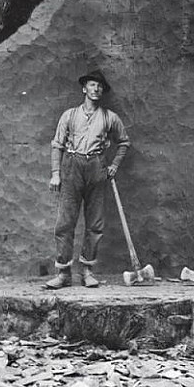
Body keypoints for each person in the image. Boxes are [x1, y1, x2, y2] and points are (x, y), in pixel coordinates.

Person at [45, 69, 130, 289]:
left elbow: (124, 142)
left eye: (100, 86)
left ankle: (87, 271)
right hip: (71, 166)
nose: (96, 89)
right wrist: (56, 173)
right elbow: (57, 144)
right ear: (84, 88)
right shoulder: (69, 115)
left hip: (96, 168)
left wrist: (113, 166)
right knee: (65, 222)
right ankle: (63, 273)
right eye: (92, 85)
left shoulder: (109, 117)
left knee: (95, 223)